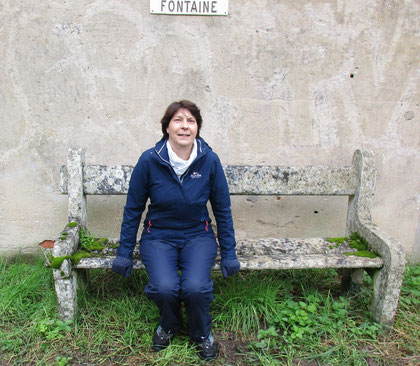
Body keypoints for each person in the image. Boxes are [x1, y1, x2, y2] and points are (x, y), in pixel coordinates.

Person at [111, 100, 240, 361]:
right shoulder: (149, 160)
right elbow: (133, 208)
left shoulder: (209, 160)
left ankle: (201, 333)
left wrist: (229, 252)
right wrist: (124, 251)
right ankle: (168, 325)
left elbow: (222, 209)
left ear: (197, 128)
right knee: (164, 287)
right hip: (158, 235)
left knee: (195, 288)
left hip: (198, 235)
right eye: (178, 120)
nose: (184, 126)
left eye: (190, 121)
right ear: (167, 127)